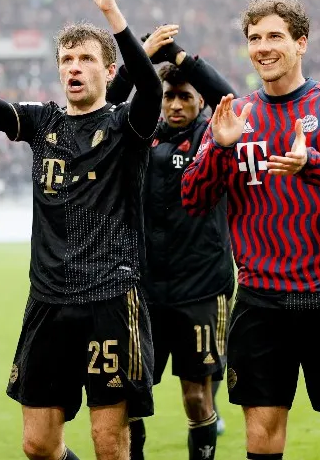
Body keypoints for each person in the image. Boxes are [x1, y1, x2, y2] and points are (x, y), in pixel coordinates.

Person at [0, 0, 161, 460]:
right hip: (48, 300)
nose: (74, 68)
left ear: (108, 69)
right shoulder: (43, 122)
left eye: (85, 59)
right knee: (38, 445)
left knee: (109, 442)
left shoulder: (126, 125)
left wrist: (112, 13)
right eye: (66, 60)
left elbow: (149, 84)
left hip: (110, 296)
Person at [181, 0, 320, 460]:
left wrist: (311, 162)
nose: (263, 47)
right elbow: (193, 198)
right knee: (262, 441)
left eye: (275, 36)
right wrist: (220, 149)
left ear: (301, 43)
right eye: (254, 38)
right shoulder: (234, 116)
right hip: (261, 302)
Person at [106, 24, 237, 460]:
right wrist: (141, 55)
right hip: (142, 289)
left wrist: (179, 56)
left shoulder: (211, 137)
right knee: (132, 398)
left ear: (199, 101)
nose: (176, 103)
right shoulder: (141, 134)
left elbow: (228, 99)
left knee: (198, 399)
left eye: (185, 96)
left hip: (199, 287)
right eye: (169, 96)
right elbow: (105, 104)